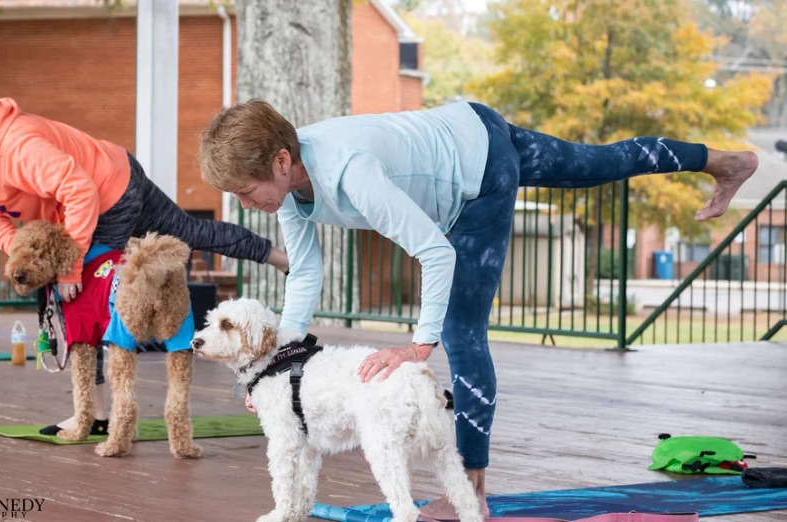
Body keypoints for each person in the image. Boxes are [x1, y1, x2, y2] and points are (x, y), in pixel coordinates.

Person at [198, 99, 758, 519]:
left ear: (280, 159)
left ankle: (470, 488)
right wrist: (280, 363)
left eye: (246, 191)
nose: (245, 205)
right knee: (595, 163)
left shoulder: (349, 173)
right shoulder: (291, 191)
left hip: (479, 178)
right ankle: (724, 160)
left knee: (461, 330)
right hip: (471, 125)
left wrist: (418, 345)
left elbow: (434, 252)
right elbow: (308, 273)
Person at [0, 94, 290, 436]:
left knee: (84, 299)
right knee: (188, 230)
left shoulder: (18, 146)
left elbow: (79, 190)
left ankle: (95, 415)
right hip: (117, 168)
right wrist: (27, 258)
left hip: (106, 195)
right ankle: (278, 257)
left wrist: (69, 269)